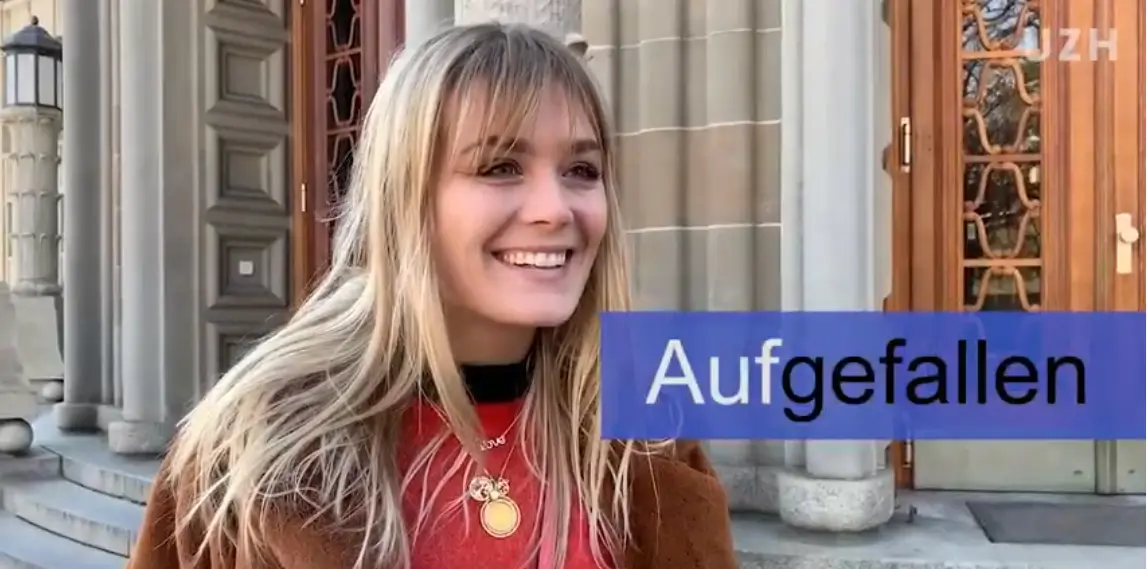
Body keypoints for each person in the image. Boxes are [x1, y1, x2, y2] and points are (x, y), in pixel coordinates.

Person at [126, 23, 737, 569]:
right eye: (500, 167)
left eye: (581, 171)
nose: (555, 210)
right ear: (405, 198)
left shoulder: (649, 437)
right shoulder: (251, 452)